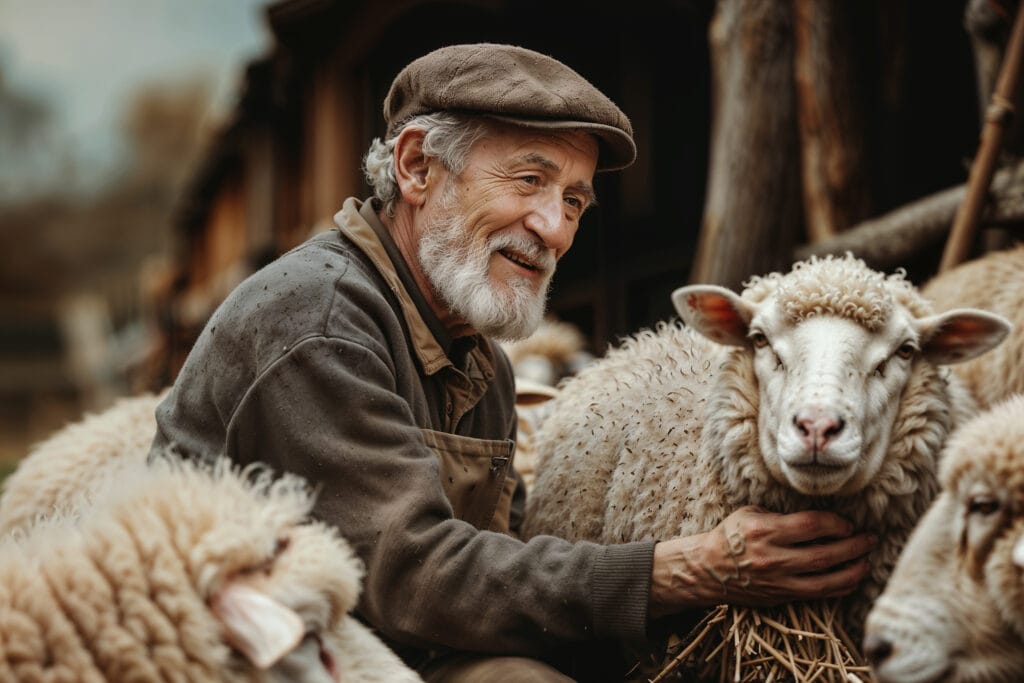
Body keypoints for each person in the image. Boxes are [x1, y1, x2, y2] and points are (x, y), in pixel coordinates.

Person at [151, 43, 876, 681]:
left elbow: (501, 561)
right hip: (238, 654)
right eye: (528, 181)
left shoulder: (479, 359)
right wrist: (689, 567)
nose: (553, 229)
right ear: (416, 167)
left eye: (573, 200)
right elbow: (417, 577)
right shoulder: (322, 321)